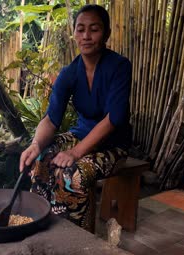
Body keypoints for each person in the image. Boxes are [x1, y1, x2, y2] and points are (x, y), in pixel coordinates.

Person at [19, 4, 132, 232]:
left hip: (113, 146)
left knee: (74, 175)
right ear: (74, 34)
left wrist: (75, 153)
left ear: (106, 33)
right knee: (41, 157)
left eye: (94, 29)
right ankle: (43, 226)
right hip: (80, 136)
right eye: (80, 29)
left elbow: (113, 119)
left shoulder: (119, 67)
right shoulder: (69, 73)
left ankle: (79, 240)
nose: (86, 36)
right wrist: (34, 144)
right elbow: (51, 119)